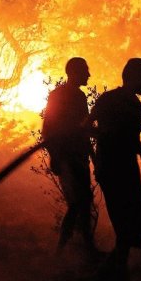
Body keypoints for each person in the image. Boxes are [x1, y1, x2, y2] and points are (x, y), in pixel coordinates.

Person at [89, 57, 141, 280]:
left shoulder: (123, 102)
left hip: (123, 167)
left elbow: (131, 139)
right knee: (127, 222)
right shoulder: (122, 103)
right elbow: (86, 128)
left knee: (135, 220)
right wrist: (99, 155)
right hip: (115, 169)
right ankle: (112, 274)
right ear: (133, 76)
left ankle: (115, 269)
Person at [41, 57, 99, 257]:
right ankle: (63, 250)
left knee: (83, 202)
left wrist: (93, 156)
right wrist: (55, 156)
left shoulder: (80, 97)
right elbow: (47, 129)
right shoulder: (58, 96)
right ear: (74, 72)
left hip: (78, 156)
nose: (89, 75)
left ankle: (84, 247)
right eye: (85, 71)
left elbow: (84, 129)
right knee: (77, 202)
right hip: (67, 157)